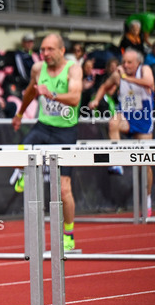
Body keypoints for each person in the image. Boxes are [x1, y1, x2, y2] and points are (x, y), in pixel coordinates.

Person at [11, 34, 82, 250]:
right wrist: (20, 114)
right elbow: (31, 92)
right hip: (43, 126)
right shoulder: (37, 69)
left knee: (63, 190)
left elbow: (75, 98)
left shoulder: (73, 69)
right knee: (20, 149)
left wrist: (50, 94)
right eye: (43, 50)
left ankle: (68, 234)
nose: (46, 54)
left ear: (62, 50)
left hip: (65, 131)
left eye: (50, 49)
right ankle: (22, 172)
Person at [88, 48, 153, 194]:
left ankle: (147, 199)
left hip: (143, 120)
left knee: (145, 165)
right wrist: (96, 100)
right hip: (127, 117)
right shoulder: (118, 75)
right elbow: (105, 86)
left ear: (137, 63)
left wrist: (126, 77)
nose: (126, 65)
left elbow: (149, 82)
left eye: (129, 62)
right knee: (114, 122)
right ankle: (117, 162)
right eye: (124, 62)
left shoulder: (144, 69)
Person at [2, 34, 37, 99]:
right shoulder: (18, 55)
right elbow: (22, 72)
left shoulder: (32, 55)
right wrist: (30, 81)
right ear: (23, 43)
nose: (30, 44)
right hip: (24, 83)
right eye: (27, 42)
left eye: (31, 42)